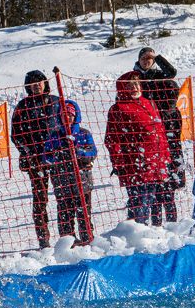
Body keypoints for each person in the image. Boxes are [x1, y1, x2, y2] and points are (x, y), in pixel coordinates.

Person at [104, 71, 171, 225]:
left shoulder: (149, 103)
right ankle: (136, 237)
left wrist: (165, 156)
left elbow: (160, 132)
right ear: (122, 88)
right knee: (139, 205)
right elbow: (111, 139)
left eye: (136, 83)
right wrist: (120, 163)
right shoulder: (118, 108)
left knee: (153, 202)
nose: (134, 87)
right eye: (129, 84)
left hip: (155, 164)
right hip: (136, 166)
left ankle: (149, 234)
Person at [134, 47, 183, 225]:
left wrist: (158, 58)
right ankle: (155, 225)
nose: (146, 60)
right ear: (138, 60)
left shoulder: (162, 76)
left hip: (167, 136)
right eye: (143, 58)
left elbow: (172, 73)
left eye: (150, 58)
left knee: (168, 186)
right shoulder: (135, 78)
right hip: (147, 137)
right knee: (152, 187)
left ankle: (172, 225)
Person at [11, 70, 60, 248]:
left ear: (45, 83)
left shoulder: (55, 101)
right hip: (35, 160)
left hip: (57, 157)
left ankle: (67, 235)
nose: (37, 85)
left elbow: (66, 125)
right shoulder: (23, 106)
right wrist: (28, 153)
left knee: (64, 197)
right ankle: (43, 239)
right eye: (32, 83)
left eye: (40, 81)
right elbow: (15, 135)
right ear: (28, 86)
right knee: (40, 200)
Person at [42, 100, 96, 245]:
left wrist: (79, 153)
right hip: (62, 182)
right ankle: (68, 243)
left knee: (84, 213)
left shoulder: (84, 133)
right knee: (65, 214)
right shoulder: (54, 135)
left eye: (70, 115)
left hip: (82, 181)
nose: (68, 118)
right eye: (64, 115)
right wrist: (58, 156)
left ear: (75, 116)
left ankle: (88, 240)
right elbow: (46, 157)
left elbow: (92, 152)